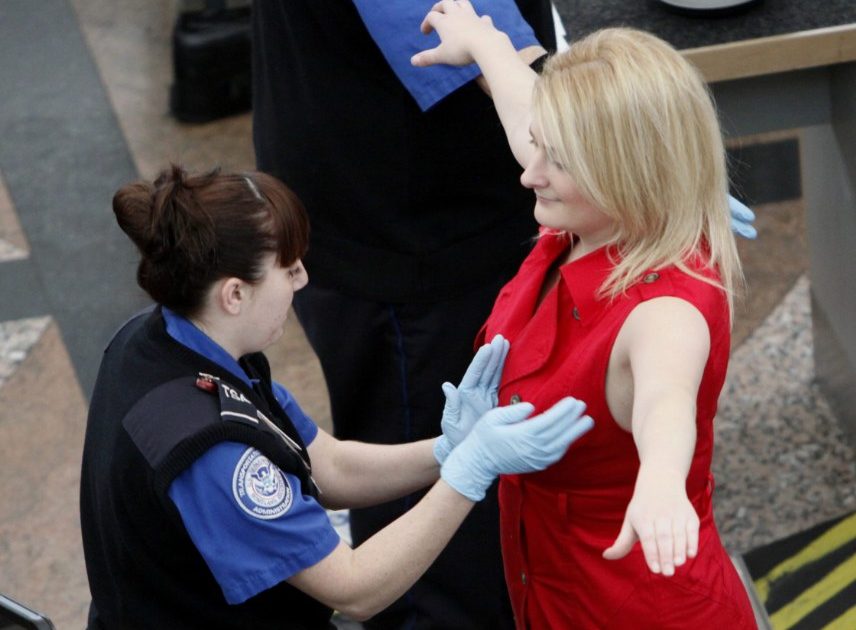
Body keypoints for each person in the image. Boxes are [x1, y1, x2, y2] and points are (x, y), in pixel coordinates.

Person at [78, 165, 594, 629]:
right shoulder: (213, 453)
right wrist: (471, 474)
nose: (303, 279)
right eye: (288, 268)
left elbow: (329, 466)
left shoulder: (165, 341)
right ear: (234, 294)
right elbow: (354, 589)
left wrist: (447, 451)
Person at [412, 3, 757, 628]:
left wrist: (660, 481)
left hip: (632, 608)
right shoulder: (594, 213)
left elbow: (665, 399)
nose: (528, 173)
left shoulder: (666, 310)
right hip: (551, 588)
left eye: (557, 161)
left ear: (625, 171)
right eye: (539, 145)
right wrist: (485, 46)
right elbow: (532, 115)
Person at [250, 2, 560, 627]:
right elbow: (474, 36)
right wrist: (641, 160)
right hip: (409, 243)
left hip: (406, 206)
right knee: (434, 558)